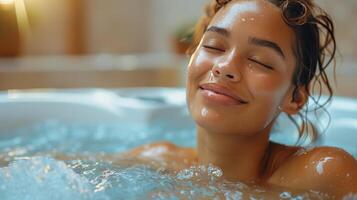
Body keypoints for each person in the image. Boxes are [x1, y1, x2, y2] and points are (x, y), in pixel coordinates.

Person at [127, 0, 357, 198]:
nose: (224, 67)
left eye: (259, 61)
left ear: (295, 96)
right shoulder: (152, 162)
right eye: (213, 46)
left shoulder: (324, 175)